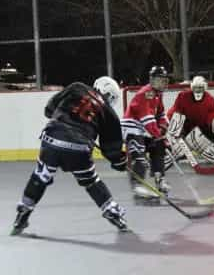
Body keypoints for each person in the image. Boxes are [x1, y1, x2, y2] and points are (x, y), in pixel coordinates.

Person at [10, 76, 129, 235]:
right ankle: (112, 211)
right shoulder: (109, 113)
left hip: (52, 138)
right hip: (79, 147)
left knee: (41, 176)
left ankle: (23, 212)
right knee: (91, 181)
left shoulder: (77, 86)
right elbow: (112, 149)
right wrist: (120, 162)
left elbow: (49, 108)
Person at [166, 76, 214, 173]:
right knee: (179, 147)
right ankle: (162, 161)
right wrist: (177, 132)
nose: (198, 90)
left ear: (205, 88)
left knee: (201, 140)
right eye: (196, 87)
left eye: (200, 88)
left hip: (201, 128)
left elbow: (213, 115)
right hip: (185, 126)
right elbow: (176, 113)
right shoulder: (183, 96)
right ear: (192, 87)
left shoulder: (210, 100)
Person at [121, 66, 170, 199]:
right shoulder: (146, 93)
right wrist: (158, 134)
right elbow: (147, 119)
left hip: (143, 129)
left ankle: (159, 179)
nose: (163, 83)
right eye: (160, 80)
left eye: (164, 80)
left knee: (159, 147)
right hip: (132, 128)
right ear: (152, 80)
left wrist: (163, 128)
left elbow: (161, 114)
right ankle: (137, 186)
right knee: (140, 154)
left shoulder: (158, 94)